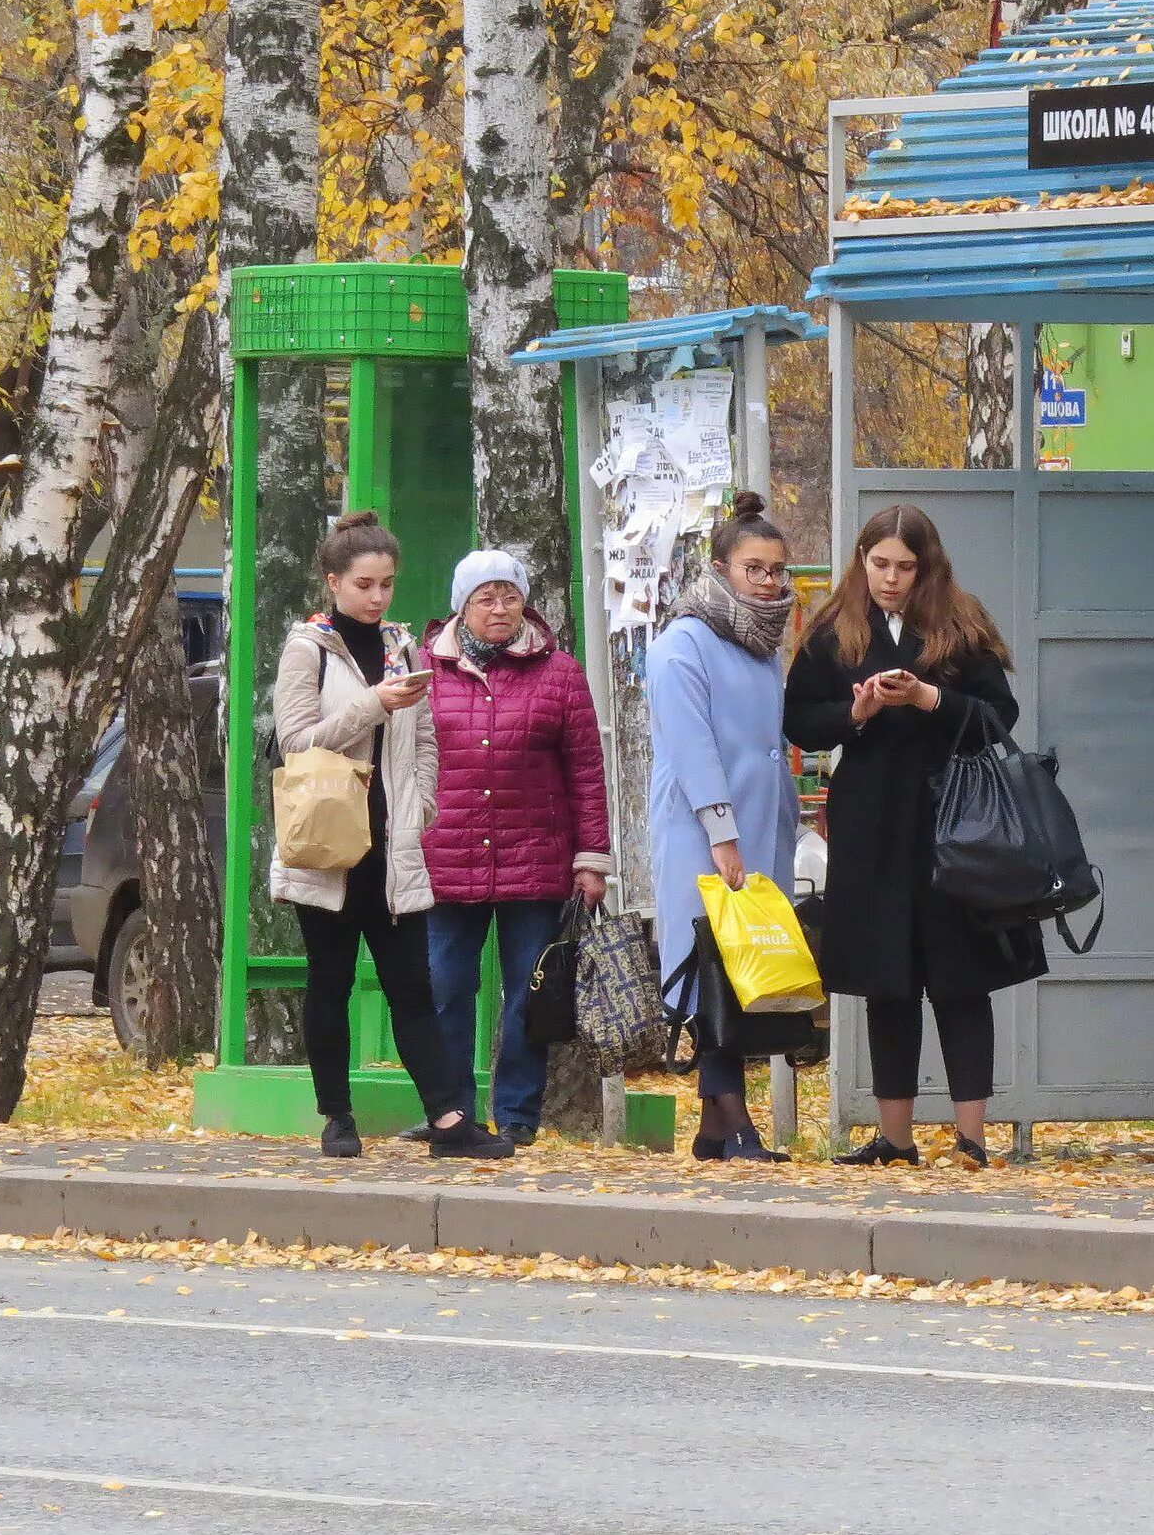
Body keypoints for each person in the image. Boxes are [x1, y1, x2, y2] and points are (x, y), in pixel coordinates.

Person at [785, 504, 1046, 1167]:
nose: (891, 579)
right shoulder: (834, 626)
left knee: (961, 977)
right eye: (880, 564)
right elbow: (800, 721)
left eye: (905, 566)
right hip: (871, 822)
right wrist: (858, 709)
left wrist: (932, 700)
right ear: (862, 560)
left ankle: (971, 1140)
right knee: (886, 978)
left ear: (927, 566)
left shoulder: (960, 623)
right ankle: (894, 1140)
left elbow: (999, 717)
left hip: (955, 821)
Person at [269, 511, 513, 1160]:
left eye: (387, 584)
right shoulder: (310, 648)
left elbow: (425, 735)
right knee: (332, 979)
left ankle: (448, 1122)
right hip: (328, 843)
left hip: (391, 845)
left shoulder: (403, 645)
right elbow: (294, 742)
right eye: (365, 584)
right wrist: (372, 703)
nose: (377, 597)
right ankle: (337, 1117)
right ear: (334, 582)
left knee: (413, 986)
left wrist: (422, 802)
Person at [419, 549, 610, 1149]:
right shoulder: (425, 670)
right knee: (445, 986)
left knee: (529, 991)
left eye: (509, 596)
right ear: (462, 606)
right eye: (484, 598)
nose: (499, 608)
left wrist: (592, 857)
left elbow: (585, 770)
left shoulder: (560, 673)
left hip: (537, 861)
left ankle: (519, 1117)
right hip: (447, 857)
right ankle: (448, 1114)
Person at [650, 493, 801, 1163]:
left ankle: (717, 1129)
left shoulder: (763, 641)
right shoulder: (684, 640)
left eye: (776, 570)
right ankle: (734, 1122)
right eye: (754, 568)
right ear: (720, 568)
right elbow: (691, 744)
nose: (768, 581)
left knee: (742, 968)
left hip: (759, 823)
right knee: (713, 967)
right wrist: (721, 829)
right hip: (703, 829)